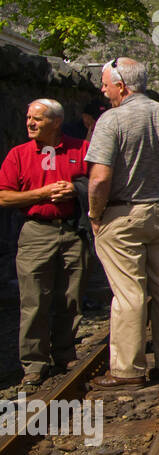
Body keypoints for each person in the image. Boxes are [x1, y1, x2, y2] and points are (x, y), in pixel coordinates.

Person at [86, 58, 159, 388]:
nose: (103, 90)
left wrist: (95, 215)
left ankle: (128, 370)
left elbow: (99, 179)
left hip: (122, 214)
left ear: (122, 86)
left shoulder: (111, 121)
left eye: (105, 84)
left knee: (128, 293)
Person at [0, 100, 91, 390]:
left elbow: (100, 182)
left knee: (71, 296)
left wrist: (75, 190)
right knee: (34, 299)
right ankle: (34, 364)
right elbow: (3, 197)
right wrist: (40, 194)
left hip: (72, 230)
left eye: (37, 118)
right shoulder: (18, 154)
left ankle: (65, 354)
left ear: (56, 122)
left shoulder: (80, 148)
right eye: (28, 117)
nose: (30, 123)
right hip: (36, 231)